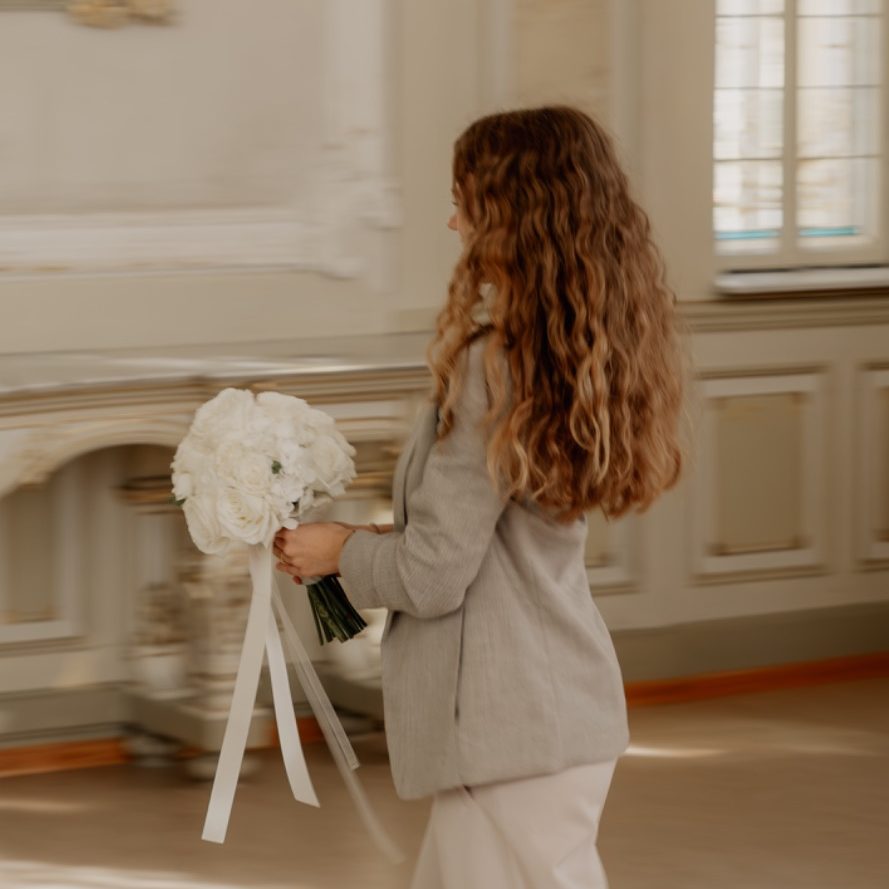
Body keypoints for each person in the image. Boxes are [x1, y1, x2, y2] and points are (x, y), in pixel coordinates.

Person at [273, 106, 683, 888]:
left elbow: (434, 576)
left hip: (508, 730)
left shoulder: (493, 364)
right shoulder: (565, 350)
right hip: (550, 714)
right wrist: (361, 541)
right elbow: (486, 537)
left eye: (464, 201)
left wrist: (338, 551)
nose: (452, 221)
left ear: (512, 216)